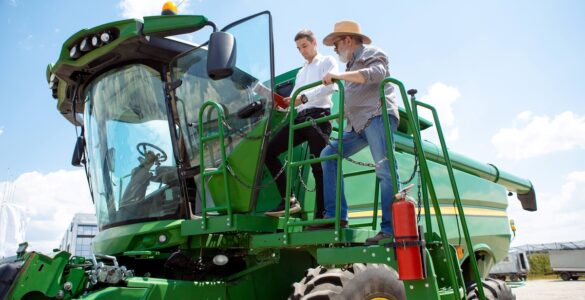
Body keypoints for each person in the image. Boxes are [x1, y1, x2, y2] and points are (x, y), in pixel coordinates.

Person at [307, 20, 400, 246]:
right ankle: (336, 216)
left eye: (336, 44)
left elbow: (375, 74)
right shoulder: (350, 67)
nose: (335, 49)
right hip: (357, 125)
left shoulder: (372, 53)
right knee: (328, 155)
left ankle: (390, 229)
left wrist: (338, 77)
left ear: (348, 40)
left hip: (378, 116)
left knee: (385, 170)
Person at [264, 29, 339, 218]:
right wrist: (281, 105)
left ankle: (322, 216)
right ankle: (289, 200)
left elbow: (330, 86)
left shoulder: (327, 61)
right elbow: (294, 101)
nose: (302, 51)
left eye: (304, 46)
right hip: (299, 119)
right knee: (269, 152)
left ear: (314, 42)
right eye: (299, 49)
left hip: (318, 118)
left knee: (318, 167)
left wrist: (303, 97)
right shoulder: (301, 72)